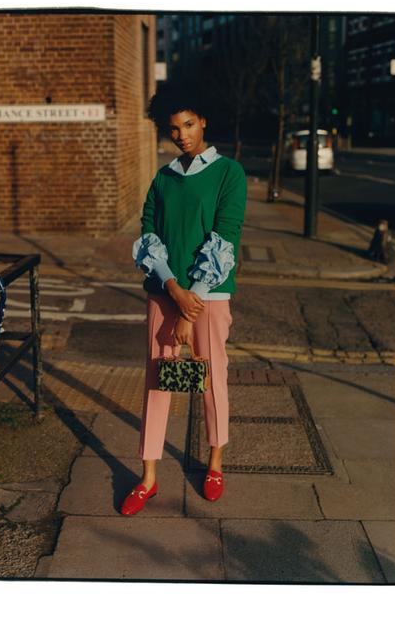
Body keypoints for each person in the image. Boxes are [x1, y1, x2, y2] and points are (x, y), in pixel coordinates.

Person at [120, 85, 247, 516]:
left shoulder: (229, 173)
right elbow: (149, 235)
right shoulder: (163, 177)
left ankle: (214, 462)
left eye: (189, 125)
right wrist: (172, 289)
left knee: (211, 378)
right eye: (174, 128)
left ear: (204, 121)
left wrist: (192, 302)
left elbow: (225, 236)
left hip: (209, 295)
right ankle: (149, 477)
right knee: (158, 383)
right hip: (164, 291)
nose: (182, 135)